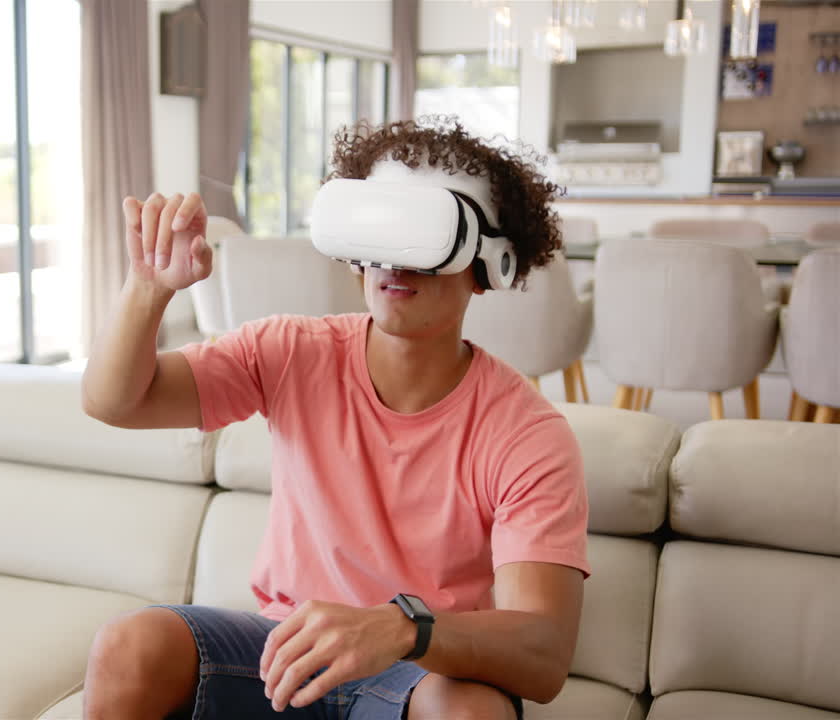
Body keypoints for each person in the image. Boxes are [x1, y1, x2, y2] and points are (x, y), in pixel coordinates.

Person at [79, 117, 589, 720]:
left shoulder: (527, 434)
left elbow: (544, 653)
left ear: (489, 266)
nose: (395, 264)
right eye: (381, 234)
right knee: (128, 645)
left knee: (473, 716)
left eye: (426, 241)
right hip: (283, 650)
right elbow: (115, 401)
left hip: (422, 669)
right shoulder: (290, 351)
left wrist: (404, 628)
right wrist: (148, 287)